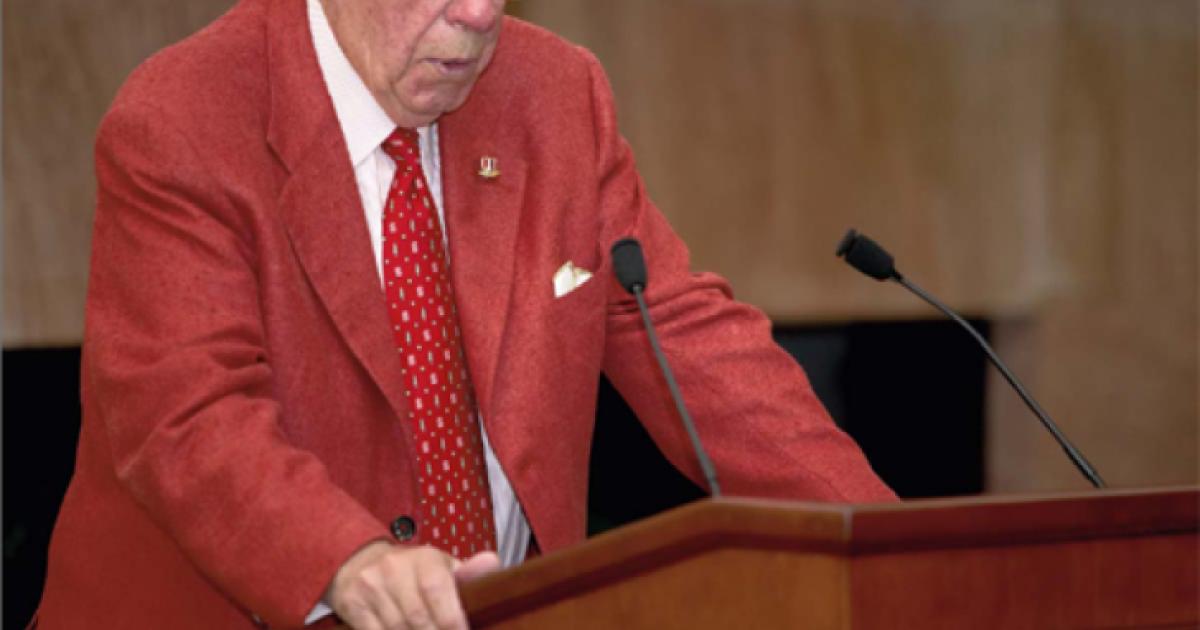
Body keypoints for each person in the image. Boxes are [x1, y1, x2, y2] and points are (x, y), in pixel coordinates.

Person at [36, 0, 896, 628]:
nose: (480, 13)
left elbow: (689, 341)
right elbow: (187, 416)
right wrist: (348, 559)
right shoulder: (183, 118)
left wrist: (903, 553)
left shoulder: (556, 93)